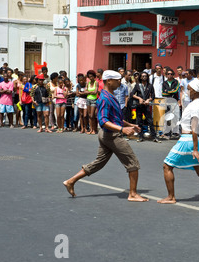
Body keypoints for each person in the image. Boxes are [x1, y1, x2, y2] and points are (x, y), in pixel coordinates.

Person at [63, 70, 148, 203]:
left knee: (98, 163)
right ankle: (132, 194)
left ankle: (70, 181)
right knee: (133, 163)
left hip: (107, 134)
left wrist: (130, 125)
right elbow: (103, 121)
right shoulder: (104, 98)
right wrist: (122, 129)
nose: (120, 82)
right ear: (109, 81)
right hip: (112, 136)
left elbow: (115, 118)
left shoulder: (110, 95)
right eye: (117, 80)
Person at [131, 72, 159, 143]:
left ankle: (154, 136)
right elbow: (131, 94)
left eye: (145, 76)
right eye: (143, 76)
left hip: (146, 105)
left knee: (150, 121)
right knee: (139, 121)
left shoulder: (150, 86)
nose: (144, 77)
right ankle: (140, 136)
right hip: (139, 105)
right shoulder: (137, 85)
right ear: (140, 77)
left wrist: (148, 100)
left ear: (147, 77)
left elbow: (153, 96)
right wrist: (139, 98)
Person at [86, 70, 99, 135]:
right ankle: (91, 129)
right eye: (89, 77)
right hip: (88, 99)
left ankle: (94, 129)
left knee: (92, 115)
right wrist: (90, 92)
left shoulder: (96, 83)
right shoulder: (88, 83)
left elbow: (95, 92)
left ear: (94, 76)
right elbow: (85, 91)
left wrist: (88, 92)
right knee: (89, 115)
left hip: (94, 99)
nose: (90, 78)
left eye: (91, 76)